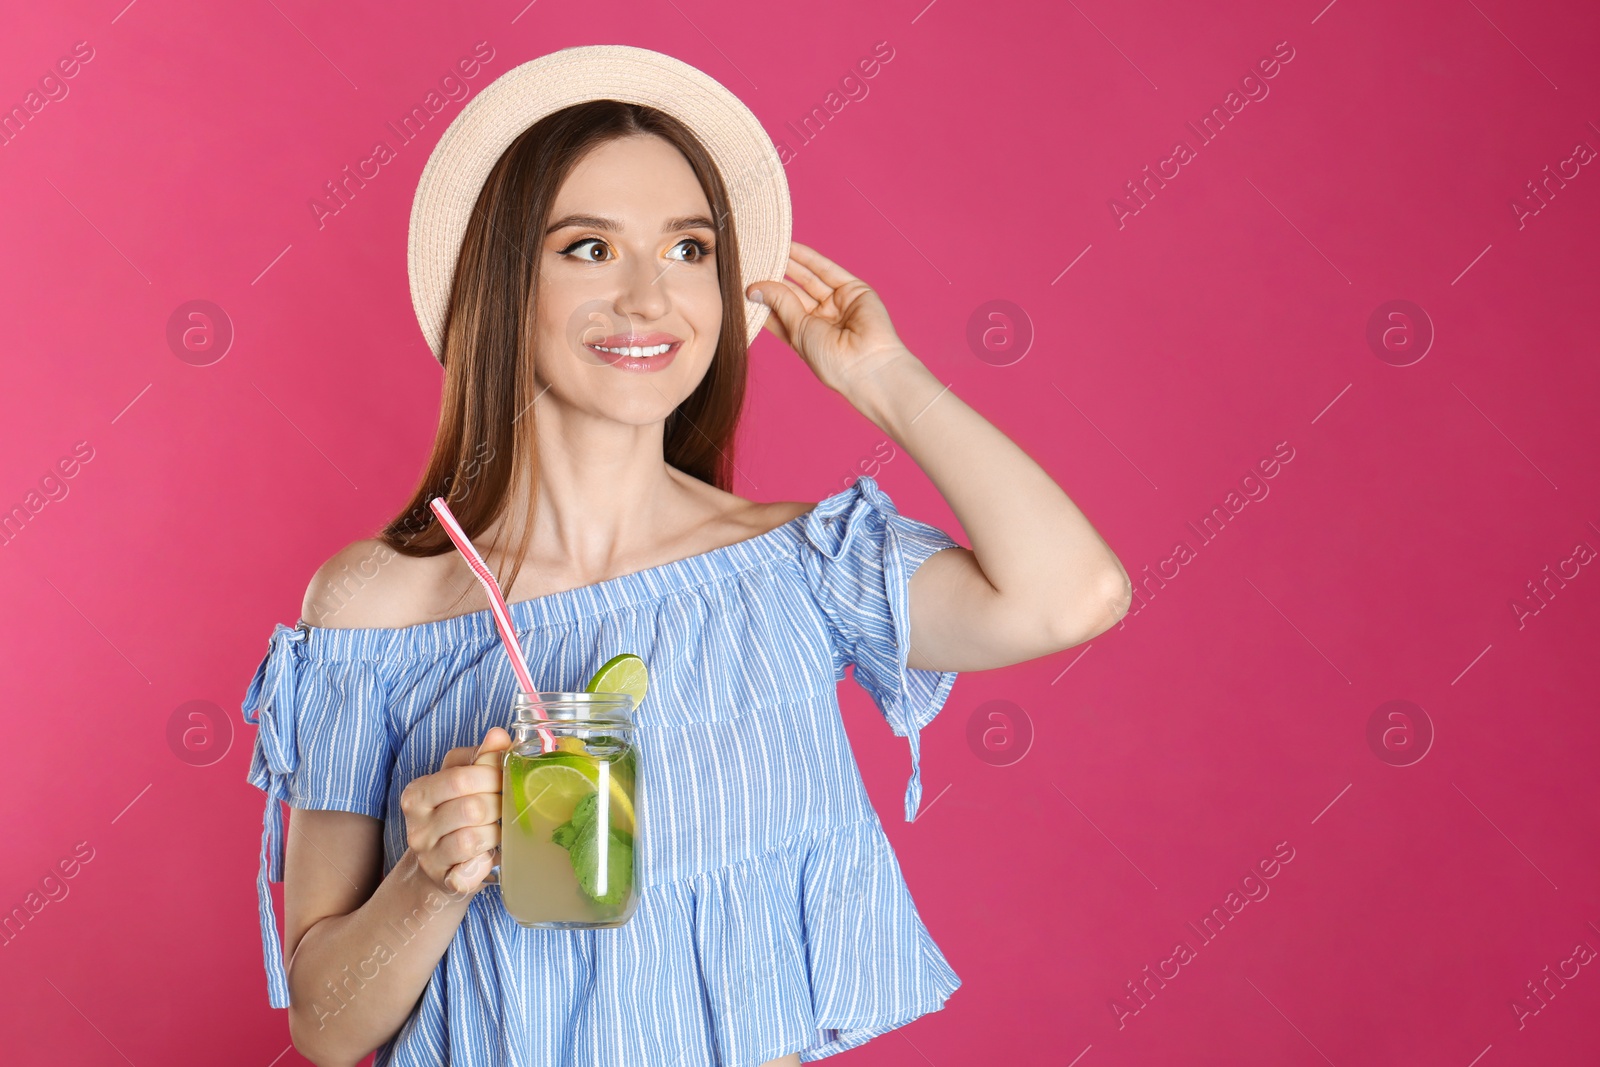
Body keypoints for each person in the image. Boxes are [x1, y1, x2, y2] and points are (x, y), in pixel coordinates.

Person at [241, 46, 1130, 1067]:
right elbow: (324, 1020)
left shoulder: (796, 566)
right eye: (588, 249)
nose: (648, 299)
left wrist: (884, 376)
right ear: (501, 279)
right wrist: (429, 881)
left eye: (689, 250)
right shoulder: (375, 605)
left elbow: (1075, 593)